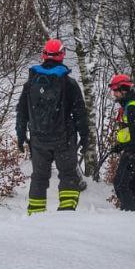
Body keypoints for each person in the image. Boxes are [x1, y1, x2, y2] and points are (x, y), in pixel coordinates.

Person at [16, 38, 89, 214]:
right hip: (63, 139)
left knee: (39, 177)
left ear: (44, 55)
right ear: (62, 55)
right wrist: (85, 137)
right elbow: (80, 113)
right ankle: (66, 212)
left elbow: (22, 112)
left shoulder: (31, 83)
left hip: (38, 139)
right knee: (68, 175)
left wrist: (20, 135)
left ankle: (35, 213)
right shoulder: (69, 83)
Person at [109, 73, 135, 211]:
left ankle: (130, 213)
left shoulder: (132, 107)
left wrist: (130, 150)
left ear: (123, 89)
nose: (114, 94)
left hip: (134, 151)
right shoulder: (131, 105)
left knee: (120, 184)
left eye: (115, 90)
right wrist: (120, 146)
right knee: (134, 184)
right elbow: (132, 132)